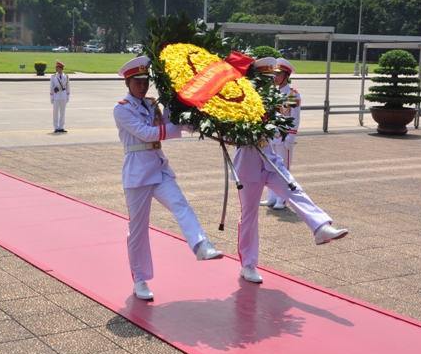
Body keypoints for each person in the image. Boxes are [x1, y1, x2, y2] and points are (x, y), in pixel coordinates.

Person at [113, 56, 222, 301]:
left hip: (158, 167)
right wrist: (178, 129)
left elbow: (168, 122)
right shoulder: (121, 108)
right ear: (128, 83)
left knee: (180, 204)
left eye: (146, 81)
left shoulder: (152, 104)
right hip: (137, 173)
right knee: (138, 230)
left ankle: (201, 245)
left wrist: (188, 118)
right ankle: (139, 280)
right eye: (138, 81)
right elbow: (146, 133)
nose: (143, 86)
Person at [232, 58, 348, 285]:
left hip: (271, 159)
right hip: (248, 164)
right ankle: (247, 265)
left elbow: (286, 121)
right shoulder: (239, 101)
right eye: (265, 79)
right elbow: (228, 135)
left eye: (271, 79)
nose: (269, 83)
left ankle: (321, 226)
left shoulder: (274, 100)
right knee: (248, 216)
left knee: (294, 188)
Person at [261, 58, 301, 210]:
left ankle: (282, 199)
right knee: (270, 167)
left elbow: (294, 118)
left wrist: (291, 137)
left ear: (286, 76)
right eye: (274, 74)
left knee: (283, 168)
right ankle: (271, 197)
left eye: (279, 74)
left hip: (284, 137)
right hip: (272, 136)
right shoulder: (273, 93)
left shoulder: (292, 95)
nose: (275, 77)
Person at [50, 60, 70, 133]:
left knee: (62, 112)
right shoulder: (53, 77)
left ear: (61, 68)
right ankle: (56, 127)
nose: (56, 68)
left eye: (57, 67)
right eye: (56, 67)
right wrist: (51, 98)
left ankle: (61, 126)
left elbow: (68, 88)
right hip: (56, 96)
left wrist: (67, 97)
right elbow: (51, 88)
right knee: (55, 112)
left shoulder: (66, 77)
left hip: (63, 96)